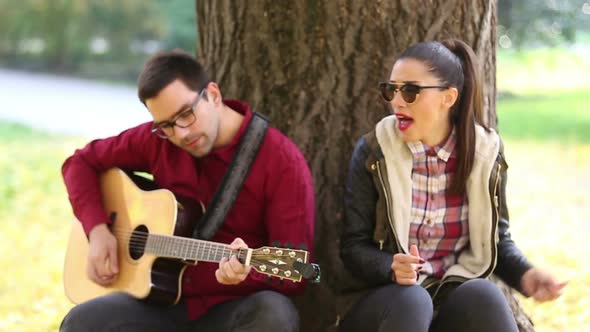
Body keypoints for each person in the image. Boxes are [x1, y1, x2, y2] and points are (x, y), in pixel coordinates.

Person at [60, 49, 315, 332]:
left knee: (274, 314)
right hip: (159, 305)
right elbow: (79, 163)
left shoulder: (282, 161)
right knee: (82, 322)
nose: (180, 133)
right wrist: (98, 230)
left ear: (214, 95)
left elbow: (298, 272)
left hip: (231, 309)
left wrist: (243, 273)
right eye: (166, 125)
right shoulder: (158, 141)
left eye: (186, 114)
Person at [339, 39, 566, 332]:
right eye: (390, 89)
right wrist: (389, 266)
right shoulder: (376, 151)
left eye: (410, 91)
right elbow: (352, 247)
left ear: (448, 98)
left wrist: (526, 274)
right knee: (413, 301)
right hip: (388, 305)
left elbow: (495, 241)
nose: (396, 101)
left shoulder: (485, 153)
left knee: (484, 294)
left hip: (452, 304)